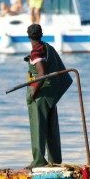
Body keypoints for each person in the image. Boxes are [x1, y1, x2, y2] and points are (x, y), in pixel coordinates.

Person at [25, 24, 73, 168]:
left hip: (40, 93)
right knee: (52, 127)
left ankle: (39, 160)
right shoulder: (47, 47)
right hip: (51, 94)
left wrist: (34, 91)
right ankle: (55, 159)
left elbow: (41, 73)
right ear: (41, 34)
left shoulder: (36, 53)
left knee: (38, 126)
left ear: (28, 36)